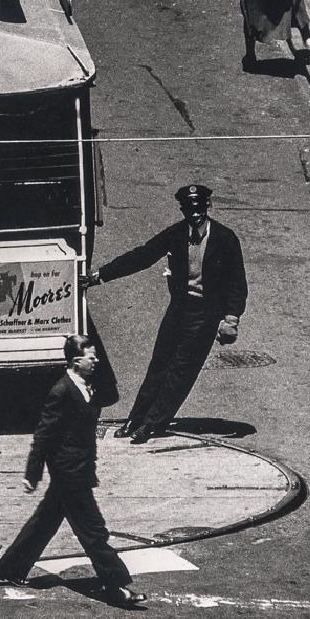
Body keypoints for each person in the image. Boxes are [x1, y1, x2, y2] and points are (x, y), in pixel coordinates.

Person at [86, 185, 248, 445]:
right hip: (179, 309)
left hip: (206, 314)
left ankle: (152, 424)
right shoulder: (176, 234)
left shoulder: (226, 239)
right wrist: (100, 276)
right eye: (189, 210)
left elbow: (237, 283)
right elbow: (143, 255)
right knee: (159, 364)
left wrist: (231, 319)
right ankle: (135, 419)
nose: (194, 215)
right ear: (183, 210)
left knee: (181, 370)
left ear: (207, 208)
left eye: (199, 209)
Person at [0, 334, 146, 605]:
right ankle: (115, 585)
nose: (97, 361)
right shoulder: (61, 392)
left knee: (45, 522)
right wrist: (33, 473)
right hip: (69, 473)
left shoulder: (88, 386)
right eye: (91, 357)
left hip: (81, 468)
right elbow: (44, 435)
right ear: (77, 361)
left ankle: (11, 568)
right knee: (93, 531)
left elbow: (112, 394)